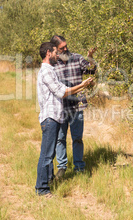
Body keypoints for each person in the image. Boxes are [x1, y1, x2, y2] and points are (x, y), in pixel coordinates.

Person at [35, 41, 93, 197]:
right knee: (47, 155)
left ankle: (48, 180)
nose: (57, 55)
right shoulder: (47, 72)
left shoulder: (50, 70)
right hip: (50, 117)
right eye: (55, 52)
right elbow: (61, 92)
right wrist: (82, 85)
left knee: (49, 154)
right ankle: (42, 189)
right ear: (48, 53)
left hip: (54, 117)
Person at [50, 35, 97, 178]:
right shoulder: (52, 64)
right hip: (60, 107)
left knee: (77, 138)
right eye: (61, 48)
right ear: (55, 50)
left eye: (66, 46)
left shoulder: (77, 58)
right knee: (60, 139)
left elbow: (91, 70)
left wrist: (90, 57)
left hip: (77, 106)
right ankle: (62, 168)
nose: (65, 49)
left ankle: (79, 168)